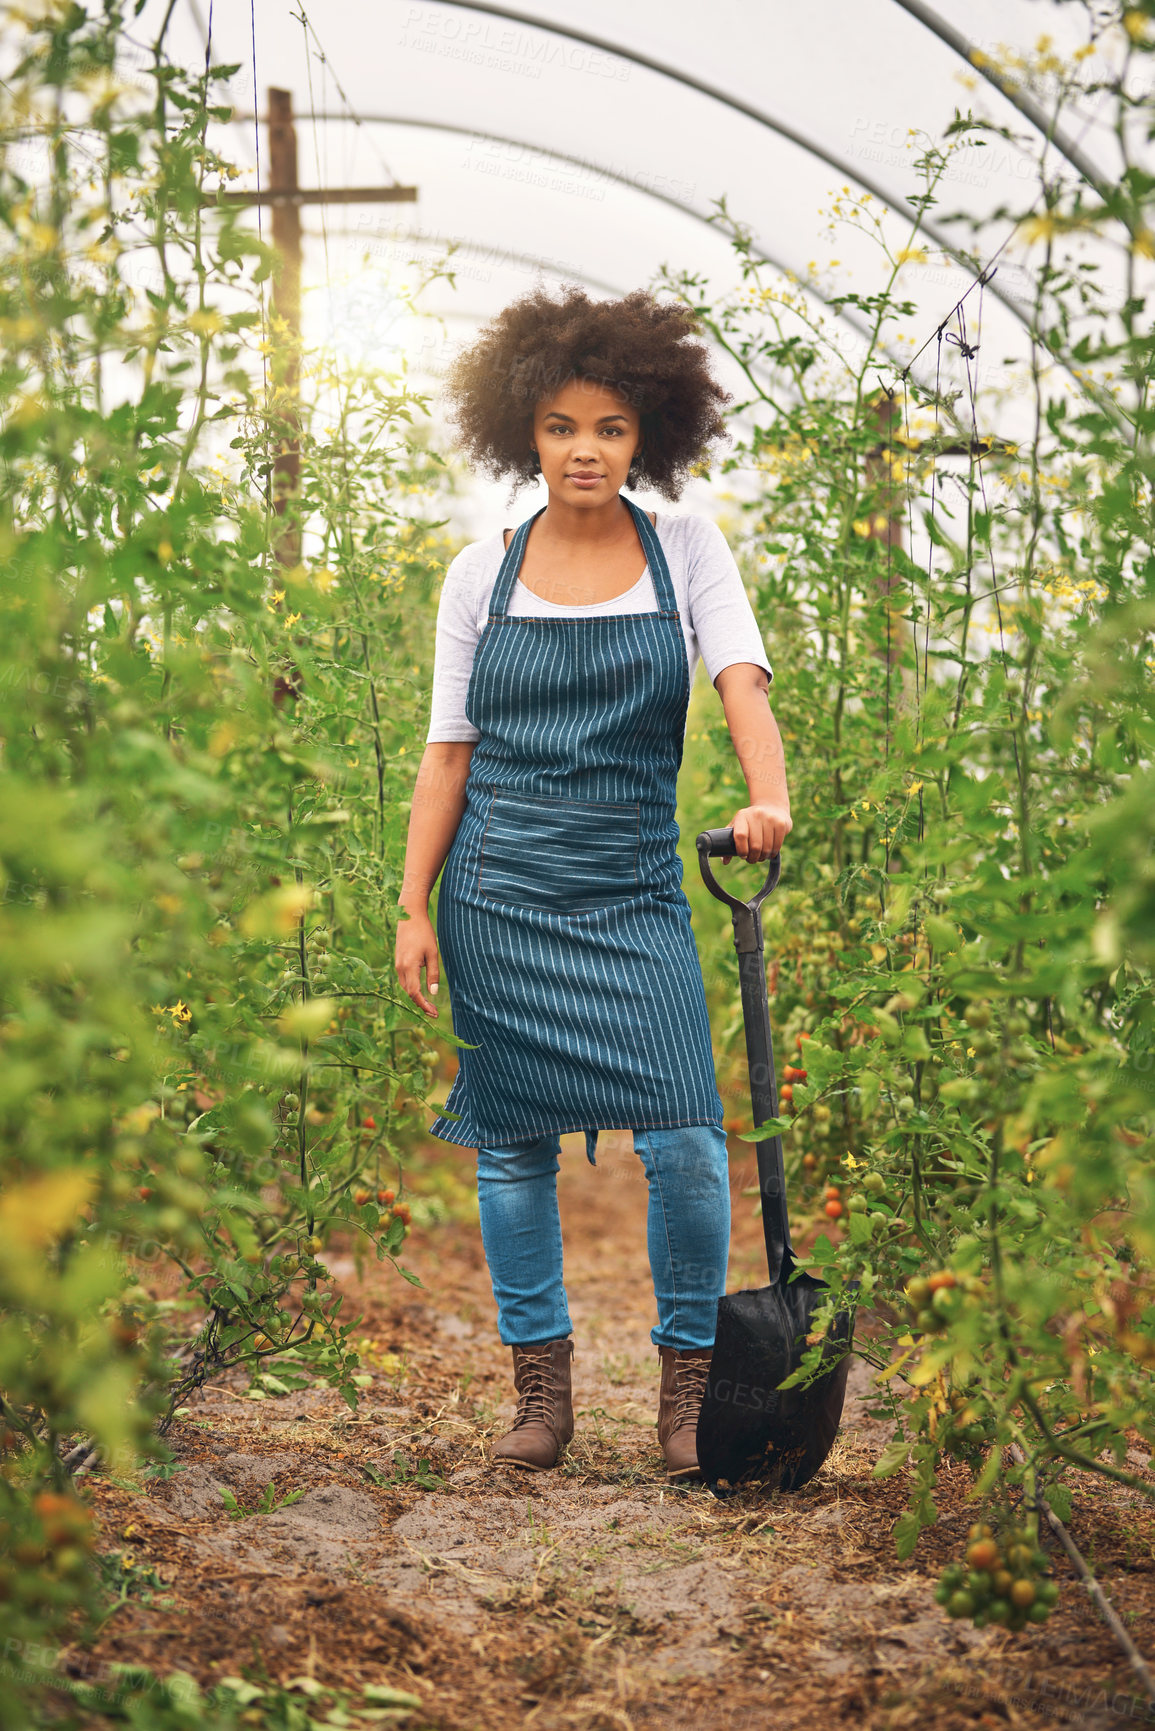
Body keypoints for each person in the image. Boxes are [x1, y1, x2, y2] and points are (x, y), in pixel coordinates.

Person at [395, 285, 792, 1481]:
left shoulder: (685, 552)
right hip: (499, 888)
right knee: (513, 1142)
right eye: (563, 425)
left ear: (647, 436)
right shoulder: (482, 572)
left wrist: (766, 797)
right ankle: (541, 1397)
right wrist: (413, 905)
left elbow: (741, 681)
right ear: (525, 427)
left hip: (629, 886)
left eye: (611, 428)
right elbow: (446, 752)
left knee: (684, 1136)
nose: (585, 450)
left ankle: (685, 1394)